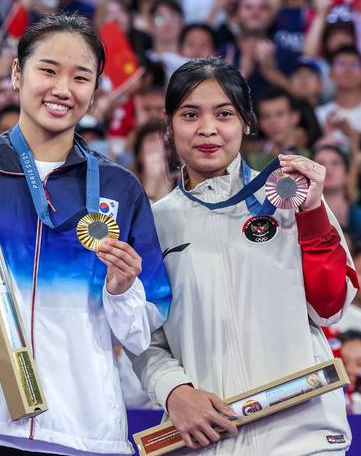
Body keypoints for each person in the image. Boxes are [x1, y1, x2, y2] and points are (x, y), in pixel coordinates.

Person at [0, 13, 172, 456]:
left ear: (95, 93)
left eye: (81, 77)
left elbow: (143, 328)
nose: (63, 89)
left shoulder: (120, 188)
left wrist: (121, 290)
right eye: (48, 70)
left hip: (86, 428)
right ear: (18, 74)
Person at [130, 57, 358, 454]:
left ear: (246, 123)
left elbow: (330, 308)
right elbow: (144, 336)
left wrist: (313, 214)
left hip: (302, 437)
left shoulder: (289, 199)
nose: (208, 129)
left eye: (224, 114)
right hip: (207, 440)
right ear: (168, 126)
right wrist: (174, 391)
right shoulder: (153, 223)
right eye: (189, 115)